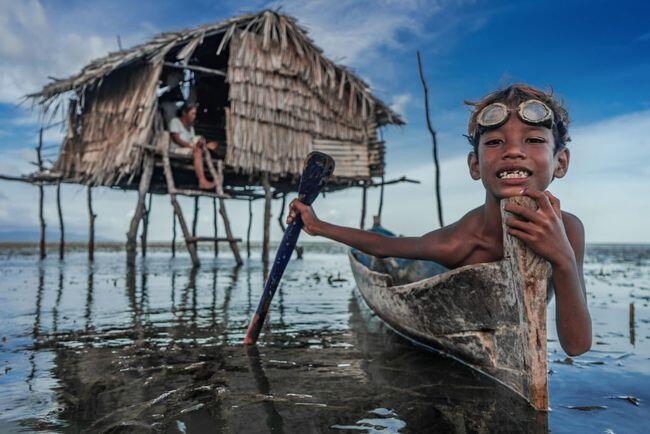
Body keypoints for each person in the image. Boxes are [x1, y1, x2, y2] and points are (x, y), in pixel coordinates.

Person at [287, 83, 591, 356]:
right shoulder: (462, 240)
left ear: (560, 162)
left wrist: (563, 258)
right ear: (475, 165)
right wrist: (318, 226)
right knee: (400, 260)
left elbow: (576, 346)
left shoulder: (569, 230)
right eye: (495, 142)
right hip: (444, 257)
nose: (513, 151)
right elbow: (385, 246)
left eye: (534, 140)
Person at [169, 102, 219, 190]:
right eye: (192, 113)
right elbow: (177, 140)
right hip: (176, 150)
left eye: (195, 114)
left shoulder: (191, 128)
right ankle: (202, 180)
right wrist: (193, 147)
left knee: (202, 147)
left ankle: (206, 147)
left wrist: (202, 145)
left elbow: (192, 142)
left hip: (188, 149)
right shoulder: (175, 122)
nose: (194, 116)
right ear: (184, 113)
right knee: (197, 151)